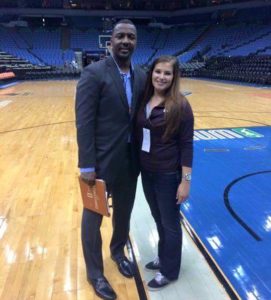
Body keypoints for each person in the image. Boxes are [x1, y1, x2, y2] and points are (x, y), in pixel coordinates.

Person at [75, 19, 146, 300]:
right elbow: (84, 122)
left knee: (124, 214)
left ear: (136, 42)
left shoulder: (141, 75)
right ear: (110, 41)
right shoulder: (94, 74)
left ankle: (118, 252)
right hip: (101, 164)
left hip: (130, 162)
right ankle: (95, 273)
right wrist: (87, 164)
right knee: (92, 220)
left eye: (130, 37)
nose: (125, 41)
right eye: (120, 36)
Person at [136, 55, 194, 290]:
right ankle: (164, 256)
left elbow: (187, 144)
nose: (161, 76)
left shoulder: (180, 105)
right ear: (152, 73)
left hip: (169, 175)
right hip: (147, 173)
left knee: (170, 224)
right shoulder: (145, 99)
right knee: (159, 219)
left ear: (174, 77)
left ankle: (169, 271)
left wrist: (186, 181)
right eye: (158, 71)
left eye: (167, 73)